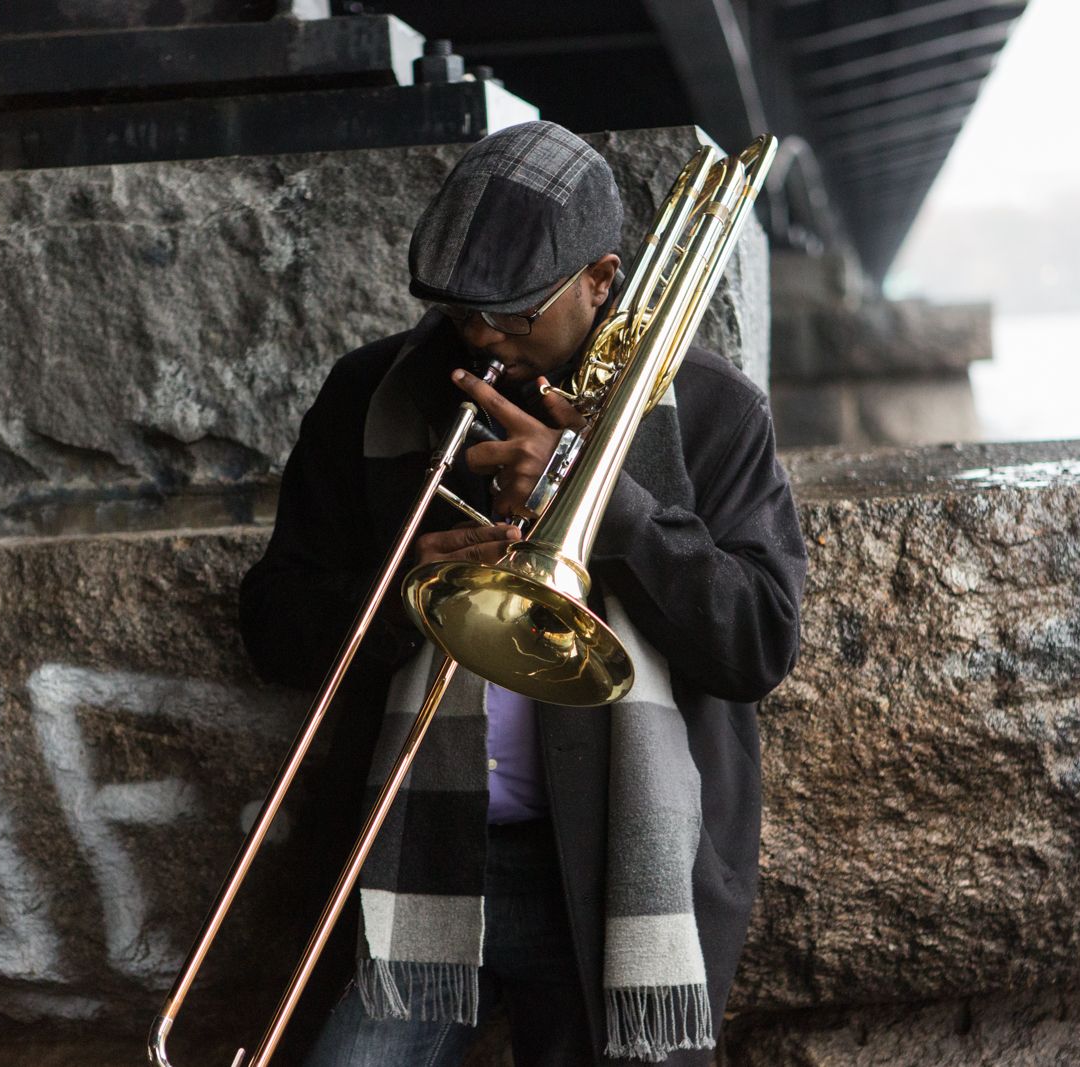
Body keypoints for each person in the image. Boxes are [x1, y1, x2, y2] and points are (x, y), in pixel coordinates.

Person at [239, 121, 805, 1066]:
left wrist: (609, 503)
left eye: (511, 315)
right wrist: (403, 591)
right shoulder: (374, 396)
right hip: (415, 860)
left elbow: (758, 641)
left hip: (618, 873)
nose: (481, 338)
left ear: (601, 280)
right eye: (463, 312)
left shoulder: (714, 410)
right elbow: (271, 625)